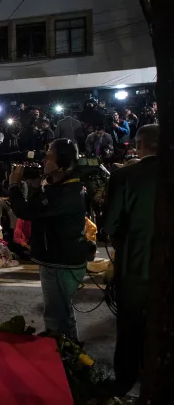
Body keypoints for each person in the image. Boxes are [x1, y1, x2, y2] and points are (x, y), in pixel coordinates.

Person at [8, 139, 89, 341]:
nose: (43, 160)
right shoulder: (63, 187)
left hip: (59, 262)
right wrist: (40, 185)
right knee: (62, 310)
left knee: (57, 315)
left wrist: (13, 185)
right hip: (58, 257)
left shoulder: (64, 193)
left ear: (61, 162)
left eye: (49, 156)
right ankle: (67, 348)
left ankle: (63, 356)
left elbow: (25, 211)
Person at [103, 124, 158, 397]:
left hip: (135, 266)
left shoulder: (124, 176)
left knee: (130, 329)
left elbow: (109, 224)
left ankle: (123, 386)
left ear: (139, 145)